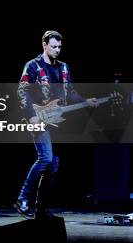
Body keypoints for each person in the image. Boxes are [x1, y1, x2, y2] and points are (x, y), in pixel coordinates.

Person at [15, 30, 97, 218]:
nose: (57, 50)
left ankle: (41, 209)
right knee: (45, 158)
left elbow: (70, 93)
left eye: (60, 47)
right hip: (38, 116)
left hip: (57, 121)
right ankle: (22, 199)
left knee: (53, 164)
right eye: (54, 46)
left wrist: (86, 100)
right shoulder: (33, 66)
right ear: (44, 45)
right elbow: (22, 91)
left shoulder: (64, 68)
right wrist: (30, 116)